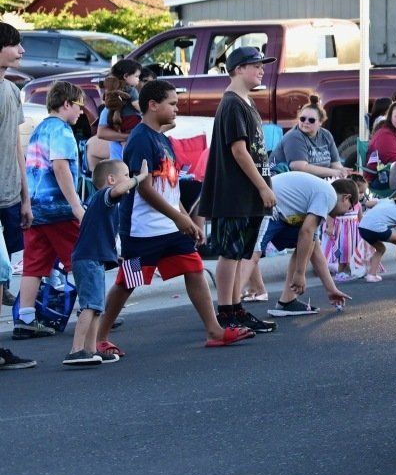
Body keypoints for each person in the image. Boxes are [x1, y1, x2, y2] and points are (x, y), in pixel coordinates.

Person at [101, 80, 251, 350]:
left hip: (170, 228)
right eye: (172, 104)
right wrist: (178, 217)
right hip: (142, 231)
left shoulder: (162, 138)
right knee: (128, 281)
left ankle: (214, 331)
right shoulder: (140, 139)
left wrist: (186, 219)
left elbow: (170, 188)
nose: (176, 109)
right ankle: (98, 338)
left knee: (194, 269)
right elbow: (144, 188)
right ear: (153, 105)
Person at [202, 46, 278, 336]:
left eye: (262, 65)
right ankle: (225, 312)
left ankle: (236, 309)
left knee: (241, 253)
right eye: (255, 65)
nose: (261, 70)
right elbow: (239, 151)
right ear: (237, 69)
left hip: (249, 196)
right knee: (230, 253)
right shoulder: (232, 103)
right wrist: (262, 186)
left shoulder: (246, 102)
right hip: (235, 193)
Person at [13, 81, 85, 340]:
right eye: (79, 106)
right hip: (60, 208)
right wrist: (76, 205)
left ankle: (26, 317)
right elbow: (60, 167)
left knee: (34, 264)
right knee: (81, 258)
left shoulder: (39, 129)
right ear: (66, 104)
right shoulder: (62, 131)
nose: (82, 112)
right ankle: (91, 309)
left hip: (36, 209)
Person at [65, 157, 139, 368]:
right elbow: (117, 190)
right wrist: (140, 177)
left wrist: (114, 256)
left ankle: (90, 349)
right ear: (111, 179)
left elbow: (100, 235)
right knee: (89, 305)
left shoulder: (103, 205)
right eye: (125, 175)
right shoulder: (105, 196)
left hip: (93, 258)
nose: (129, 180)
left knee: (96, 306)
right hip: (88, 260)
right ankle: (76, 350)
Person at [259, 172, 356, 317]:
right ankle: (231, 310)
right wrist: (299, 274)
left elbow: (313, 246)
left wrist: (331, 289)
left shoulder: (319, 201)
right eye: (351, 207)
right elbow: (306, 232)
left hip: (276, 206)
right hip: (269, 205)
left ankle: (287, 302)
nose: (348, 212)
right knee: (250, 257)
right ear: (346, 197)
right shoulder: (328, 196)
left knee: (307, 244)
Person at [0, 23, 26, 309]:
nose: (21, 50)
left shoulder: (11, 89)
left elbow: (16, 143)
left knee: (10, 254)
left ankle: (5, 288)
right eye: (14, 44)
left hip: (9, 191)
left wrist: (25, 194)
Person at [273, 98, 353, 181]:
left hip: (317, 182)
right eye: (302, 119)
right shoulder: (294, 136)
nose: (306, 122)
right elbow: (300, 168)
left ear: (320, 122)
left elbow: (335, 164)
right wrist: (334, 172)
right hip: (288, 181)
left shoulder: (326, 135)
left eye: (311, 120)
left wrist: (342, 171)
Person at [86, 59, 144, 172]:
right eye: (137, 77)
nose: (139, 80)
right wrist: (129, 136)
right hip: (123, 159)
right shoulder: (113, 105)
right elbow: (101, 133)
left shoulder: (117, 100)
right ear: (126, 76)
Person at [357, 194, 396, 281]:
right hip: (375, 227)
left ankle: (371, 275)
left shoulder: (387, 200)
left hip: (362, 227)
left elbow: (368, 204)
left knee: (380, 248)